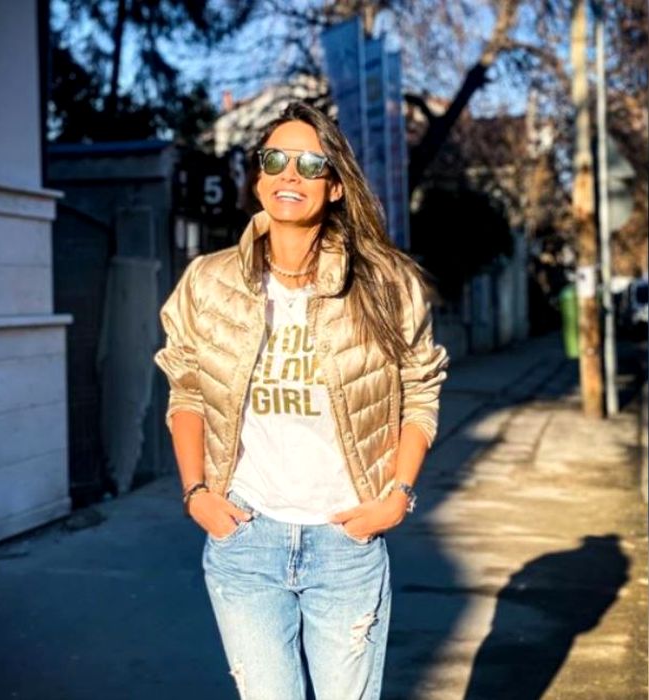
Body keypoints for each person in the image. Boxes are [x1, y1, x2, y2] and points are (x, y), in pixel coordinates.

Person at [153, 101, 449, 700]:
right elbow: (186, 387)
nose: (290, 175)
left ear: (335, 185)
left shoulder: (387, 284)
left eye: (310, 164)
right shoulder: (208, 281)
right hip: (246, 539)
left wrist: (396, 497)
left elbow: (420, 389)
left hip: (345, 541)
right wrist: (196, 494)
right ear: (258, 176)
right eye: (275, 160)